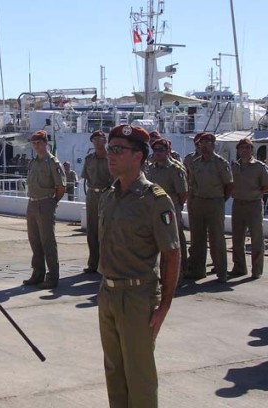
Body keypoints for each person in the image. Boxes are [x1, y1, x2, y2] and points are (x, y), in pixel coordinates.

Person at [98, 124, 180, 407]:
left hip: (137, 297)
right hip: (107, 293)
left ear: (138, 156)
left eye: (118, 150)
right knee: (114, 374)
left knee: (139, 378)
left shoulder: (155, 200)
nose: (111, 155)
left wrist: (164, 306)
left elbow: (172, 253)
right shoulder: (108, 197)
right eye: (110, 149)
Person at [186, 132, 233, 282]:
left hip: (215, 202)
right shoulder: (196, 163)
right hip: (198, 201)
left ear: (213, 145)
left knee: (216, 238)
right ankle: (198, 270)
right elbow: (192, 183)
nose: (204, 146)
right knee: (197, 238)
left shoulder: (220, 163)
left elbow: (229, 185)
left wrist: (220, 199)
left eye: (207, 143)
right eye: (202, 144)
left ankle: (221, 271)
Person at [22, 130, 66, 290]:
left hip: (45, 203)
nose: (36, 146)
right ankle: (37, 273)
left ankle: (52, 276)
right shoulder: (33, 163)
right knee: (34, 240)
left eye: (39, 143)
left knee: (48, 241)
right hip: (32, 203)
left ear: (45, 143)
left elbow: (61, 186)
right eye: (33, 143)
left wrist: (52, 202)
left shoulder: (52, 163)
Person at [146, 138, 189, 277]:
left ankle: (178, 270)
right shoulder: (151, 169)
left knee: (172, 241)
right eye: (155, 150)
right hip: (153, 208)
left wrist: (176, 206)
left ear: (168, 151)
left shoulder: (175, 170)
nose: (157, 153)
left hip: (169, 209)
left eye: (161, 150)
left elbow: (183, 193)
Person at [229, 138, 268, 279]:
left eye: (247, 147)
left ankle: (256, 270)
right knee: (237, 238)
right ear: (238, 150)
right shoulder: (234, 166)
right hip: (238, 204)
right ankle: (239, 268)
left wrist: (254, 193)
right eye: (242, 148)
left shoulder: (259, 167)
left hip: (254, 204)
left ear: (252, 150)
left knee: (256, 238)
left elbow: (266, 186)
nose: (244, 150)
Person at [81, 130, 113, 274]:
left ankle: (107, 263)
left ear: (105, 141)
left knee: (107, 231)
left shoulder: (112, 158)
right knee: (92, 231)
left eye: (101, 138)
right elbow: (86, 177)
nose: (98, 141)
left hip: (108, 195)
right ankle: (93, 263)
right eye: (95, 139)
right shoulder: (89, 159)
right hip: (93, 196)